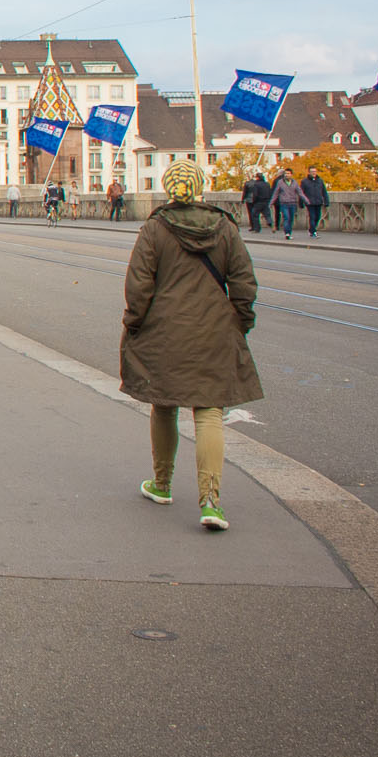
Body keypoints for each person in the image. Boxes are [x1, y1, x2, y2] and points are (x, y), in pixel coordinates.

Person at [122, 159, 262, 531]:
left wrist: (134, 323)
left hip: (164, 328)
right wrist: (239, 322)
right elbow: (244, 281)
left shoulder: (155, 228)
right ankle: (211, 501)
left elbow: (139, 286)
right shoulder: (225, 227)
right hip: (215, 328)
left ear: (169, 189)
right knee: (209, 410)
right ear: (200, 187)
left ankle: (162, 483)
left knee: (164, 405)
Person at [270, 168, 304, 240]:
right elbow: (275, 192)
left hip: (292, 203)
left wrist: (306, 200)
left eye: (288, 173)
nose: (287, 175)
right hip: (283, 203)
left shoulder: (294, 182)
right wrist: (271, 202)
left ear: (291, 174)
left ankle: (288, 231)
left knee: (290, 219)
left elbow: (300, 192)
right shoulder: (280, 182)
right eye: (286, 173)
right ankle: (287, 233)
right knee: (286, 217)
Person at [300, 167, 331, 238]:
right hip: (309, 203)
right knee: (312, 217)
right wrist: (301, 203)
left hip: (318, 201)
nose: (314, 173)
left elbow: (324, 191)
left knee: (318, 216)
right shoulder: (304, 181)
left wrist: (326, 201)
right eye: (312, 171)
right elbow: (301, 193)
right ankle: (314, 232)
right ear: (309, 172)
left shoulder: (320, 180)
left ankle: (311, 230)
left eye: (315, 171)